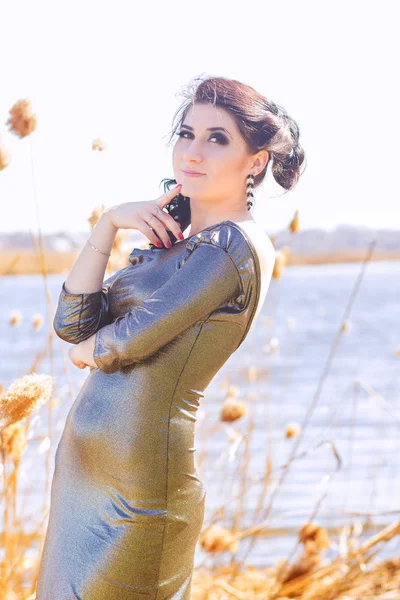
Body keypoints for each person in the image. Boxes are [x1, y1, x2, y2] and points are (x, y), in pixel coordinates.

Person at [36, 75, 305, 599]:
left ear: (256, 160)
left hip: (142, 483)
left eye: (217, 138)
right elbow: (72, 323)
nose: (193, 151)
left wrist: (87, 351)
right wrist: (109, 225)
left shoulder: (235, 246)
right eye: (187, 133)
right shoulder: (174, 244)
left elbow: (128, 341)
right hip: (83, 472)